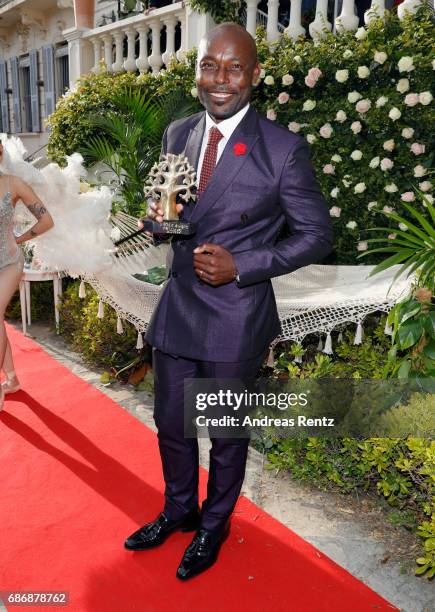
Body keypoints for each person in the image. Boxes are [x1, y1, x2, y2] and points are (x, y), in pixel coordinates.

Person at [124, 22, 333, 580]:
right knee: (171, 422)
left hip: (235, 317)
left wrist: (244, 265)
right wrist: (160, 224)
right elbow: (177, 206)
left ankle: (215, 525)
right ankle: (178, 509)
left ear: (255, 75)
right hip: (179, 306)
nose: (220, 79)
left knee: (223, 434)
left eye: (234, 67)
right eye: (209, 65)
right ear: (197, 72)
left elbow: (316, 234)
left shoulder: (282, 149)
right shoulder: (178, 133)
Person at [0, 142, 54, 410]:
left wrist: (19, 239)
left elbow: (46, 221)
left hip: (9, 262)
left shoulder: (14, 184)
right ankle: (11, 379)